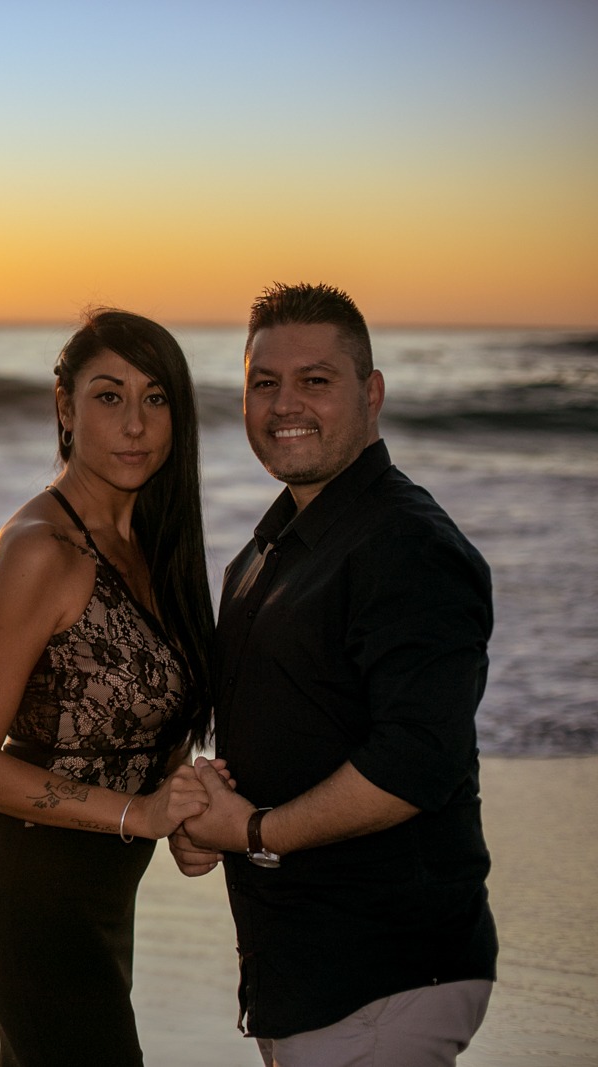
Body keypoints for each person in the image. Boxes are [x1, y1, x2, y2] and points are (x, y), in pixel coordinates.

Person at [172, 283, 497, 1067]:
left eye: (316, 380)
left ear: (371, 392)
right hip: (305, 975)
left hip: (382, 974)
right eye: (264, 382)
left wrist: (251, 831)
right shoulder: (264, 554)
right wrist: (202, 811)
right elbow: (282, 727)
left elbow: (414, 761)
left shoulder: (407, 546)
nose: (287, 403)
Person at [0, 309, 220, 1067]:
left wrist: (188, 811)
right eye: (108, 396)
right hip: (29, 900)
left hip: (104, 903)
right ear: (64, 407)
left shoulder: (154, 549)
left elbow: (149, 719)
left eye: (156, 398)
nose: (135, 424)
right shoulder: (42, 551)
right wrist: (140, 813)